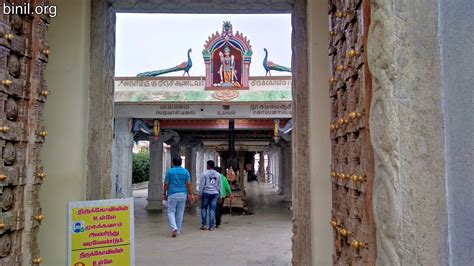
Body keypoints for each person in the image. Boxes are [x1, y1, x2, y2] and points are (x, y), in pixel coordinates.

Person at [163, 156, 195, 237]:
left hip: (172, 194)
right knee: (180, 212)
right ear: (181, 162)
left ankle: (174, 227)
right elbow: (188, 184)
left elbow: (166, 184)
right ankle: (178, 230)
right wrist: (191, 194)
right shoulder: (185, 171)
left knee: (170, 211)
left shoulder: (170, 171)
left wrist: (164, 193)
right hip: (183, 194)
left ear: (173, 162)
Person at [198, 160, 221, 231]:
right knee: (212, 209)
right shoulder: (218, 174)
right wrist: (220, 195)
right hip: (215, 193)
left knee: (204, 208)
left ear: (208, 165)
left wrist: (200, 193)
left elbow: (202, 185)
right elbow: (220, 185)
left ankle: (204, 225)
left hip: (206, 193)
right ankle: (211, 226)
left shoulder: (204, 174)